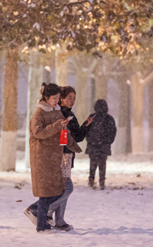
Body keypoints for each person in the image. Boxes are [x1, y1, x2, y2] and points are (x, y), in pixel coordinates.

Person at [23, 82, 81, 232]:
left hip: (55, 158)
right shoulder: (39, 114)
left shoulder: (57, 111)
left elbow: (63, 133)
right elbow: (38, 133)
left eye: (57, 98)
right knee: (46, 192)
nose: (57, 101)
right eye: (54, 98)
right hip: (42, 158)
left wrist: (74, 146)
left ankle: (46, 221)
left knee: (57, 189)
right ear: (46, 97)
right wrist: (56, 125)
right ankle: (42, 224)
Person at [43, 86, 92, 230]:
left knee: (63, 188)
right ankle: (45, 211)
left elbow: (77, 137)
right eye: (69, 98)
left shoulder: (69, 114)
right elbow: (68, 137)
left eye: (74, 98)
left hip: (67, 154)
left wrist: (86, 126)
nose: (72, 101)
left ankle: (59, 220)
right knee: (66, 188)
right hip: (61, 155)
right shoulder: (60, 114)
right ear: (61, 99)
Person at [85, 99, 116, 190]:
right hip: (104, 145)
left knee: (93, 163)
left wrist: (90, 140)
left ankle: (91, 178)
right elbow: (113, 132)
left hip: (93, 145)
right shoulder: (109, 119)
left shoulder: (92, 117)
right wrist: (108, 141)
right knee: (102, 163)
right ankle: (102, 180)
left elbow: (86, 129)